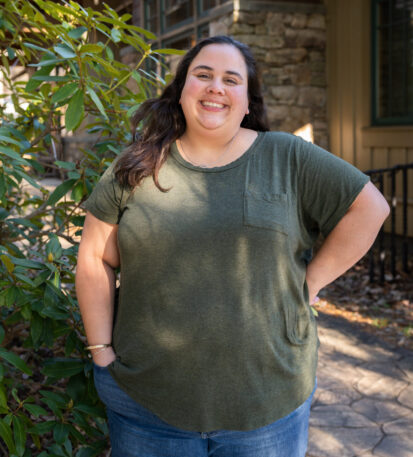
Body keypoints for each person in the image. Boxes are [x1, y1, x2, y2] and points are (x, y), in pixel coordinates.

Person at [75, 35, 390, 457]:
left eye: (231, 79)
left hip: (269, 406)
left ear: (247, 100)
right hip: (148, 405)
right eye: (202, 75)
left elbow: (370, 208)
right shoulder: (135, 167)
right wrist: (102, 354)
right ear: (181, 89)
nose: (215, 87)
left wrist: (310, 282)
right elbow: (96, 257)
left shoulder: (286, 157)